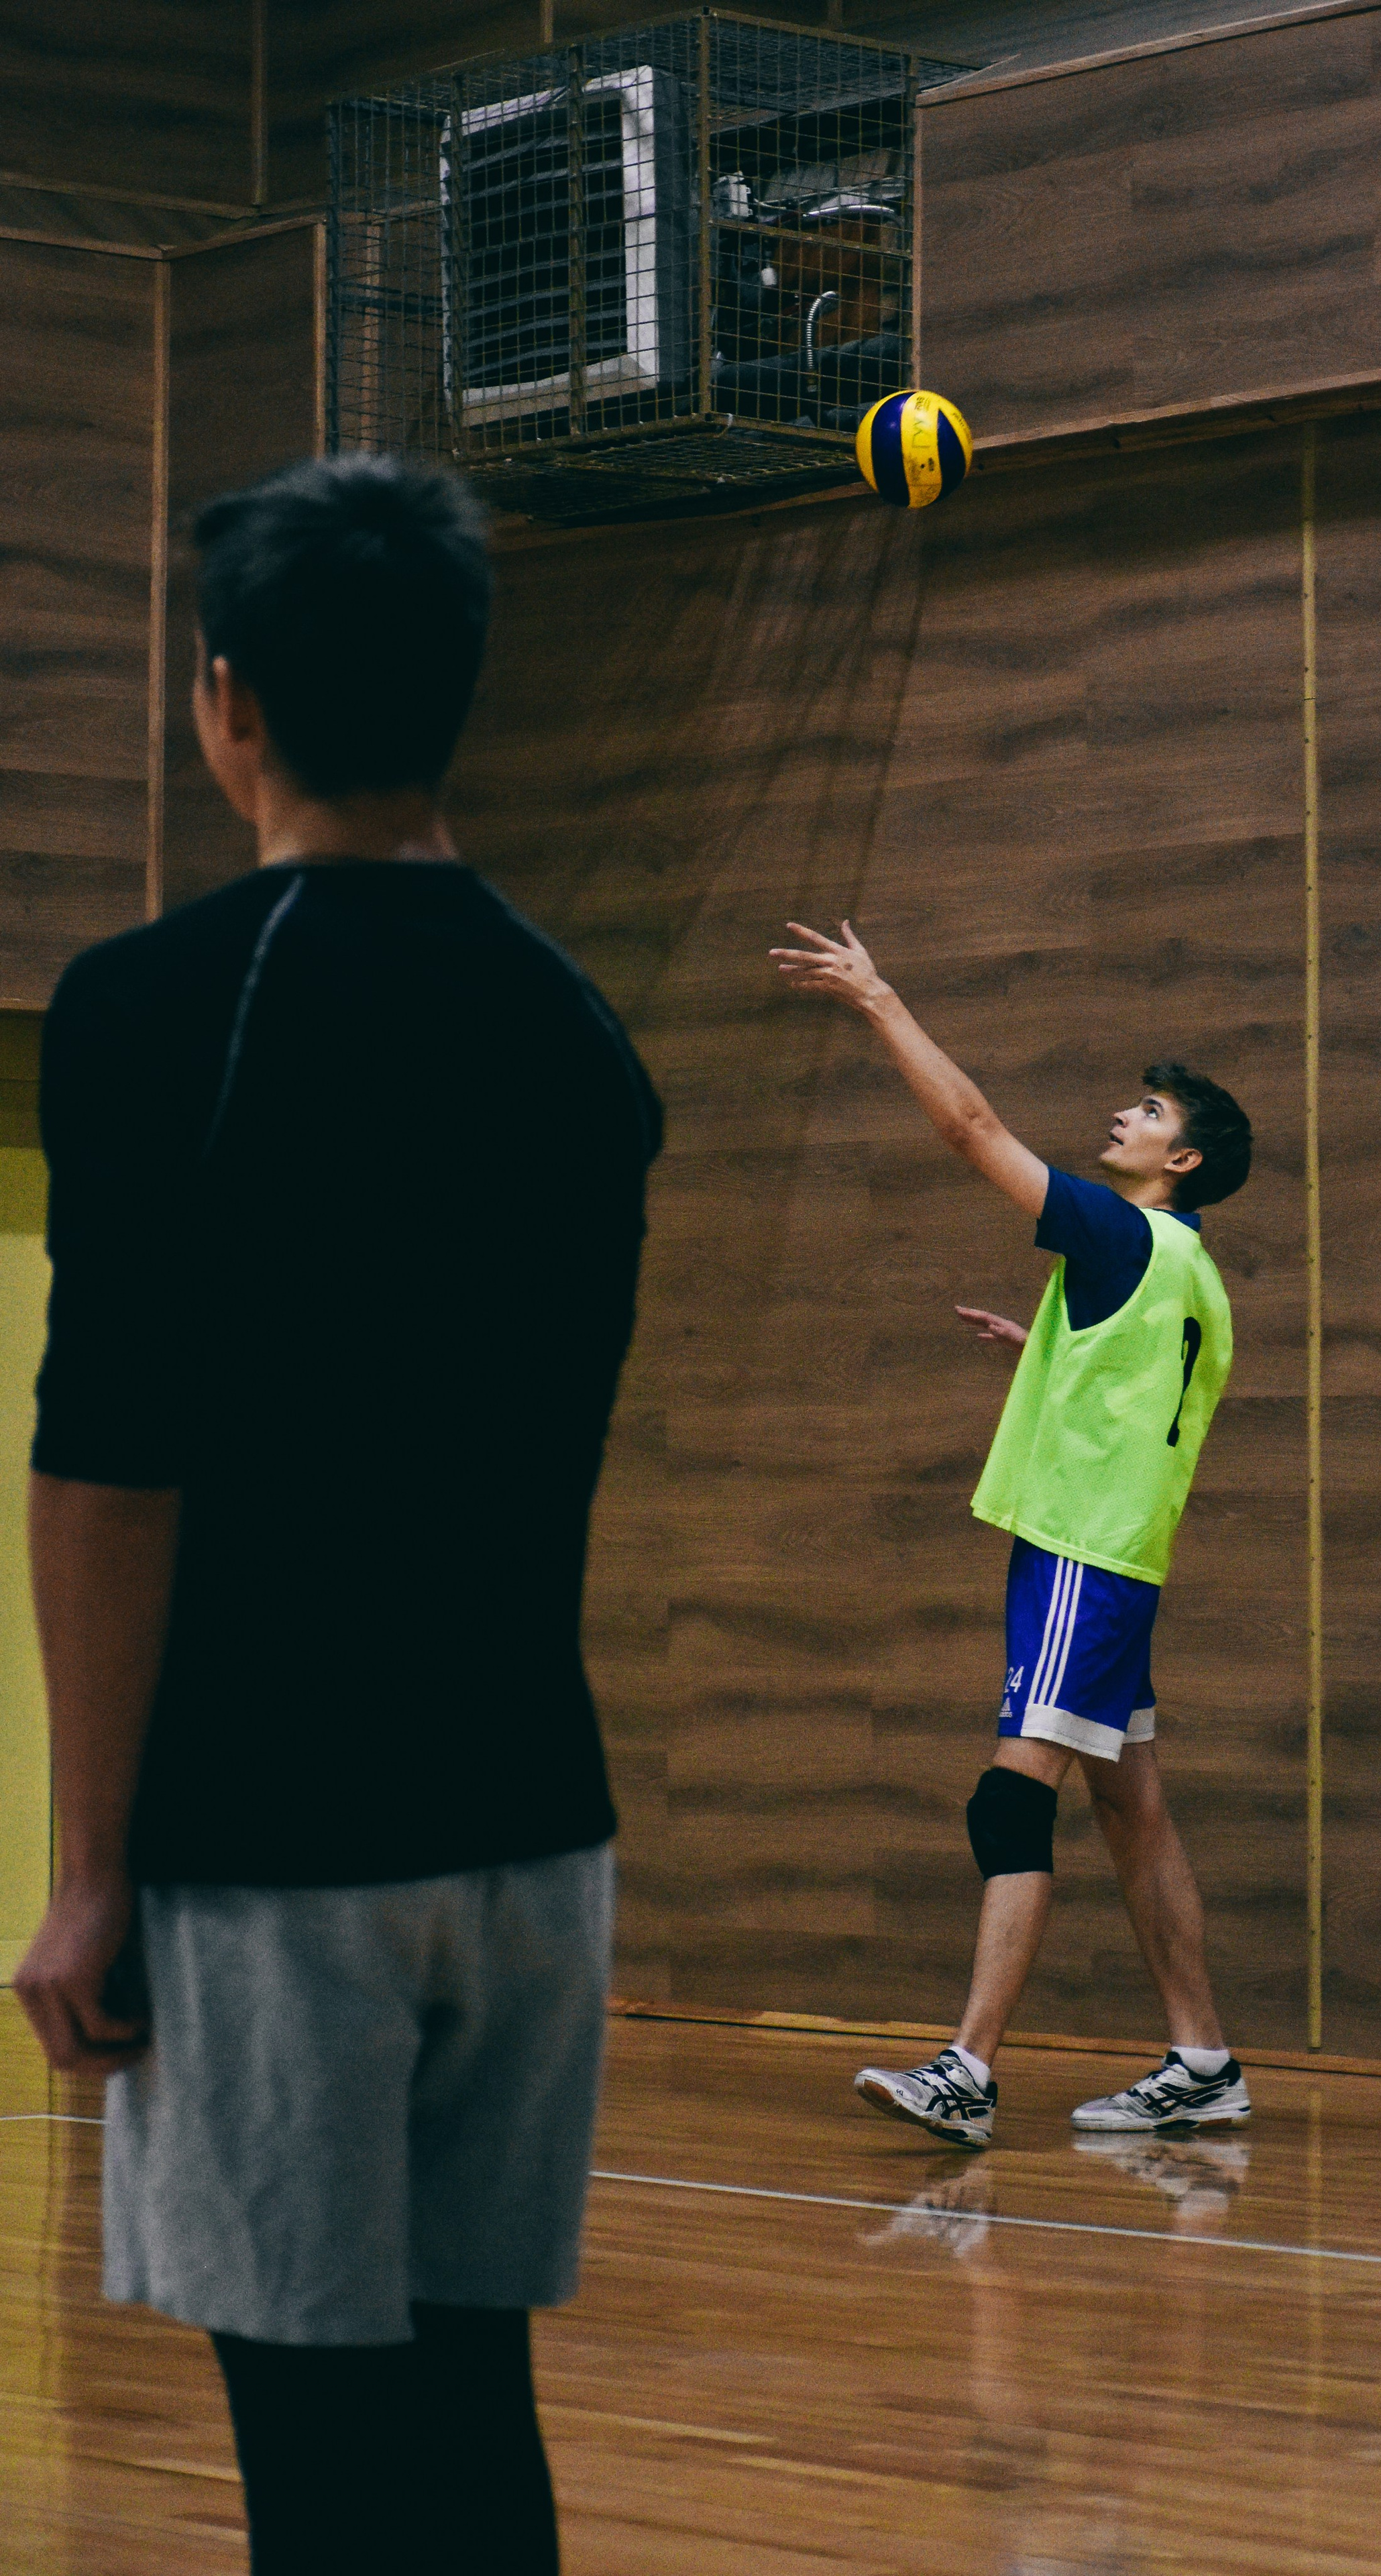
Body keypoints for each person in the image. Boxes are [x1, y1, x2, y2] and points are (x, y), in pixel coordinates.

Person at [15, 454, 661, 2575]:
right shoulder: (581, 1035)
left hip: (280, 1848)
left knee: (321, 2459)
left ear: (229, 701)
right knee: (471, 2421)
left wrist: (90, 1869)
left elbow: (111, 1463)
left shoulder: (157, 1007)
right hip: (536, 1844)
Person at [769, 920, 1251, 2148]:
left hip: (1083, 1557)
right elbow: (1147, 1393)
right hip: (1118, 1557)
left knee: (1008, 1804)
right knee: (1132, 1811)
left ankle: (969, 2072)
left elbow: (972, 1129)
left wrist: (879, 999)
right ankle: (1204, 2061)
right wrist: (1043, 1350)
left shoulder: (1118, 1230)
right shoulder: (1190, 1270)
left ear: (1183, 1159)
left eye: (1149, 1112)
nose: (1124, 1116)